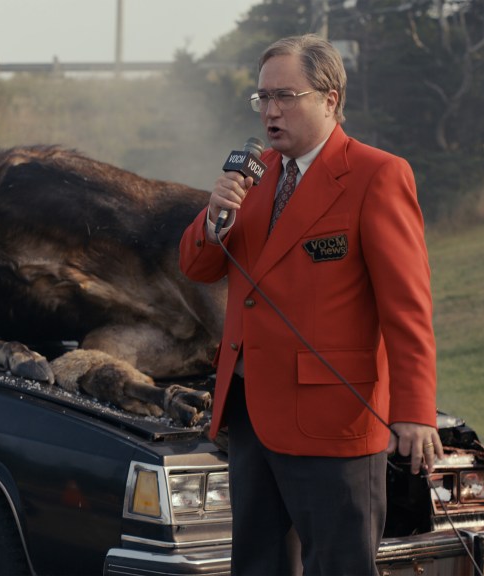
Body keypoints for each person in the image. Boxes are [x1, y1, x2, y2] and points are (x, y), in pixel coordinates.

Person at [179, 34, 442, 575]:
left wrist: (414, 411)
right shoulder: (253, 177)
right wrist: (214, 216)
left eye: (285, 96)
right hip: (251, 414)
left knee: (339, 566)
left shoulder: (377, 175)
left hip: (335, 418)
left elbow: (407, 306)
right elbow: (197, 267)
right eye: (262, 99)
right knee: (258, 564)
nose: (271, 112)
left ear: (329, 98)